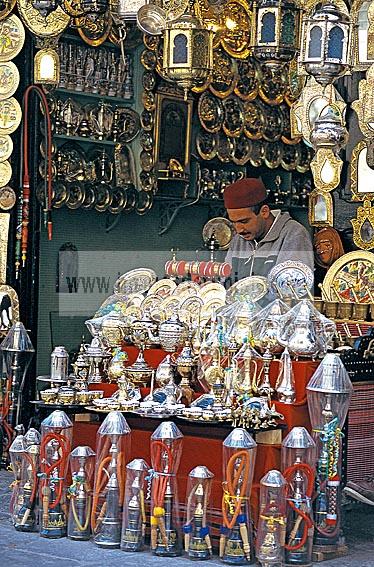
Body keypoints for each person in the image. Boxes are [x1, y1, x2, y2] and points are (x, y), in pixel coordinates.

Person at [224, 177, 314, 280]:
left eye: (244, 221)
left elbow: (293, 288)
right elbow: (227, 281)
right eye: (234, 222)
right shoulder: (239, 239)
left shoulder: (294, 235)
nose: (239, 229)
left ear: (264, 212)